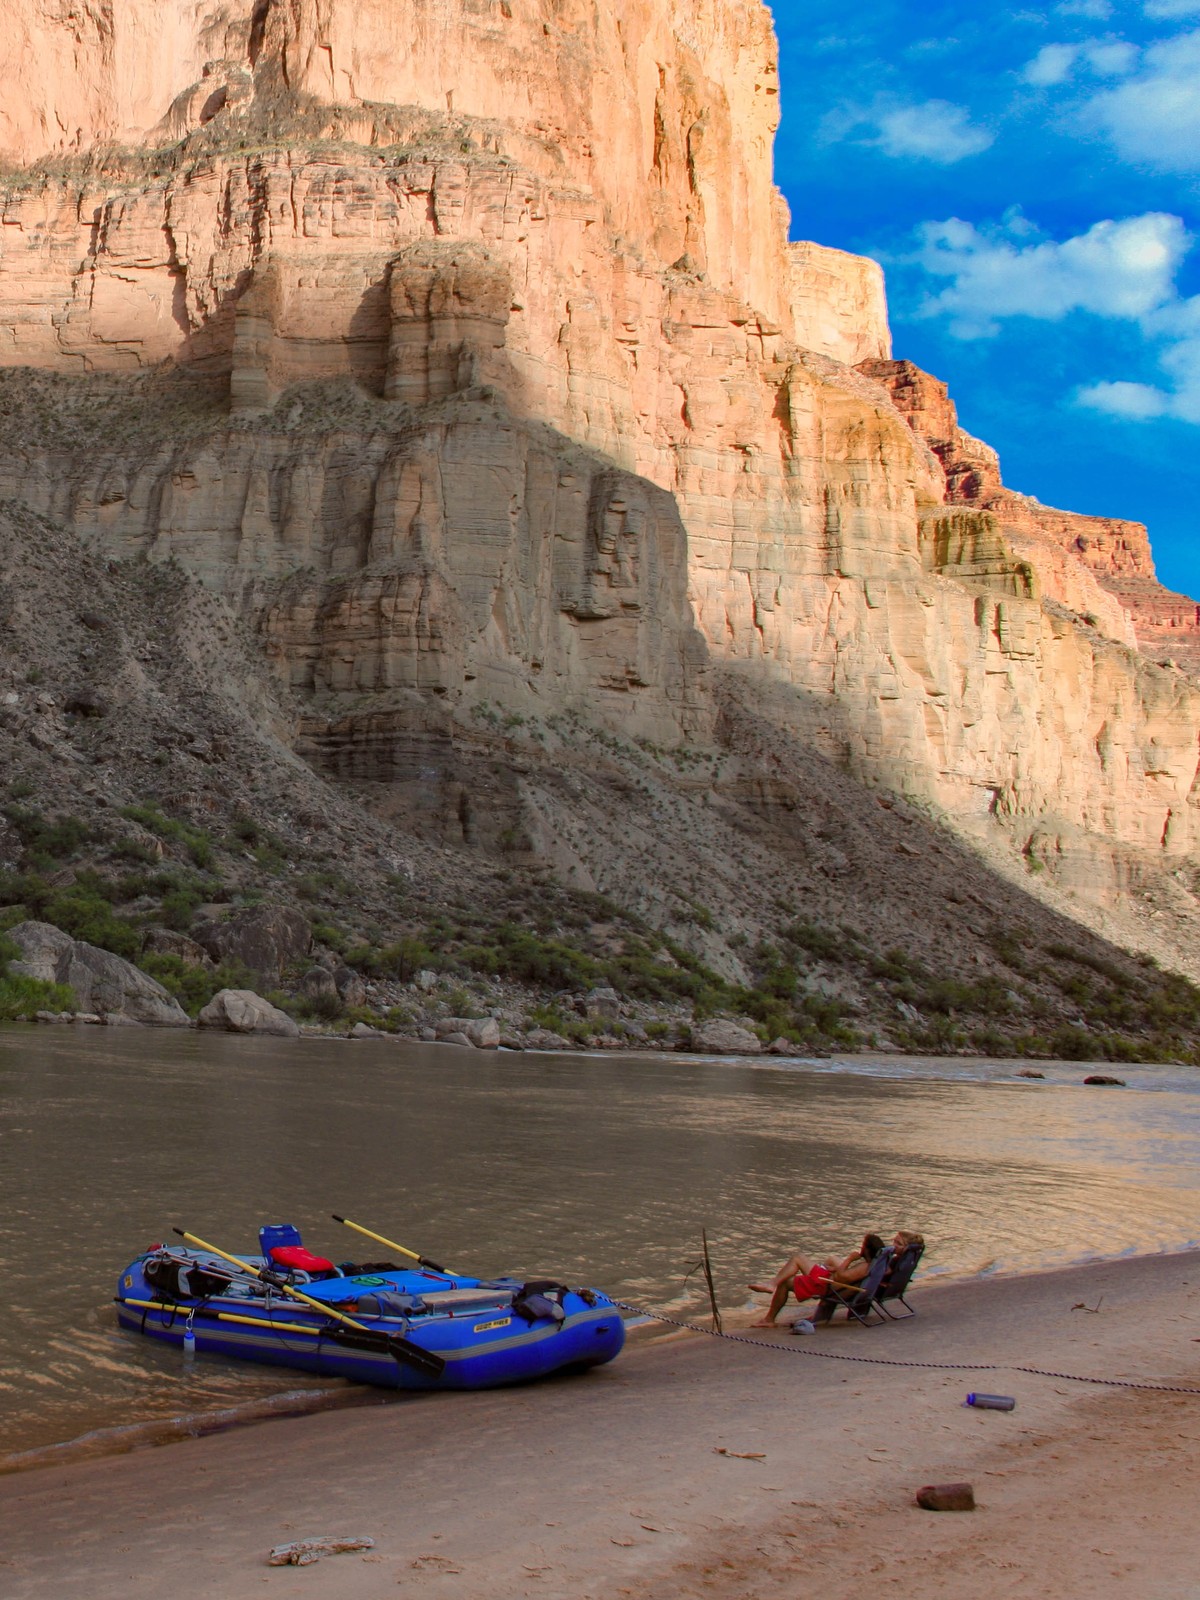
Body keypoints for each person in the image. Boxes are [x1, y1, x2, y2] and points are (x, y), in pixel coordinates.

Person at [749, 1233, 886, 1328]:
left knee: (787, 1281)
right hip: (829, 1280)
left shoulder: (864, 1267)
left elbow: (841, 1277)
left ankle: (769, 1317)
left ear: (867, 1250)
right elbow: (844, 1276)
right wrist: (834, 1269)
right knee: (799, 1258)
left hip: (826, 1285)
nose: (861, 1247)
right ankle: (772, 1284)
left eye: (863, 1245)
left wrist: (850, 1259)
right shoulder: (874, 1265)